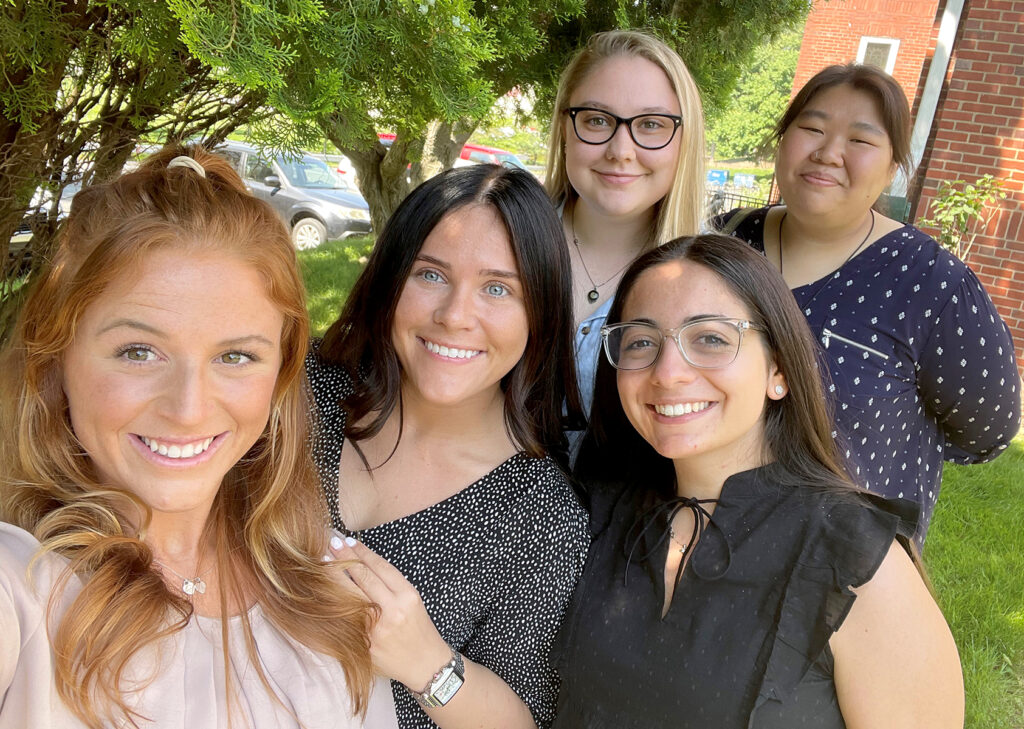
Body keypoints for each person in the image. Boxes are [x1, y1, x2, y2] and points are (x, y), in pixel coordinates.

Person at [0, 147, 396, 729]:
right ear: (56, 360)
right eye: (139, 352)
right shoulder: (20, 586)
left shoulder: (324, 584)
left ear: (281, 376)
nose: (188, 409)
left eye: (235, 356)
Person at [553, 233, 964, 729]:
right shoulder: (593, 511)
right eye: (642, 341)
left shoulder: (855, 559)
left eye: (710, 339)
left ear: (779, 369)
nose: (668, 372)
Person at [307, 164, 589, 729]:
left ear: (542, 312)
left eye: (497, 288)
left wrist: (426, 661)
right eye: (430, 275)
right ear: (389, 279)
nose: (456, 316)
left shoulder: (541, 517)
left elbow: (522, 721)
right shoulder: (303, 391)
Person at [713, 63, 1020, 541]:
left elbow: (988, 428)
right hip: (709, 547)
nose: (828, 153)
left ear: (892, 167)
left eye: (860, 140)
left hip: (847, 573)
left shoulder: (930, 283)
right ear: (783, 139)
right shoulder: (728, 237)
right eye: (811, 128)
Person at [545, 29, 706, 415]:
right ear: (565, 128)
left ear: (686, 140)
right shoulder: (501, 241)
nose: (621, 151)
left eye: (651, 124)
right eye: (598, 120)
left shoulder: (714, 283)